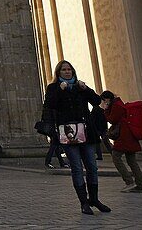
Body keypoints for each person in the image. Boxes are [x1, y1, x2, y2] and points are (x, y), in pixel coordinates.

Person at [41, 60, 110, 215]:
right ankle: (84, 202)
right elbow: (49, 105)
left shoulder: (80, 87)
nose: (67, 72)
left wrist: (86, 89)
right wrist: (60, 90)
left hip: (86, 133)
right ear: (58, 73)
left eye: (69, 69)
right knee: (77, 168)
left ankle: (95, 199)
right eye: (64, 70)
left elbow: (97, 101)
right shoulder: (53, 88)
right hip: (68, 134)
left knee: (92, 166)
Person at [100, 91, 142, 193]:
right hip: (129, 135)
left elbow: (112, 119)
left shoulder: (116, 106)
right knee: (132, 161)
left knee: (116, 157)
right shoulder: (119, 103)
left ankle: (129, 182)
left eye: (103, 100)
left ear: (107, 99)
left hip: (124, 136)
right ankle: (140, 185)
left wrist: (106, 110)